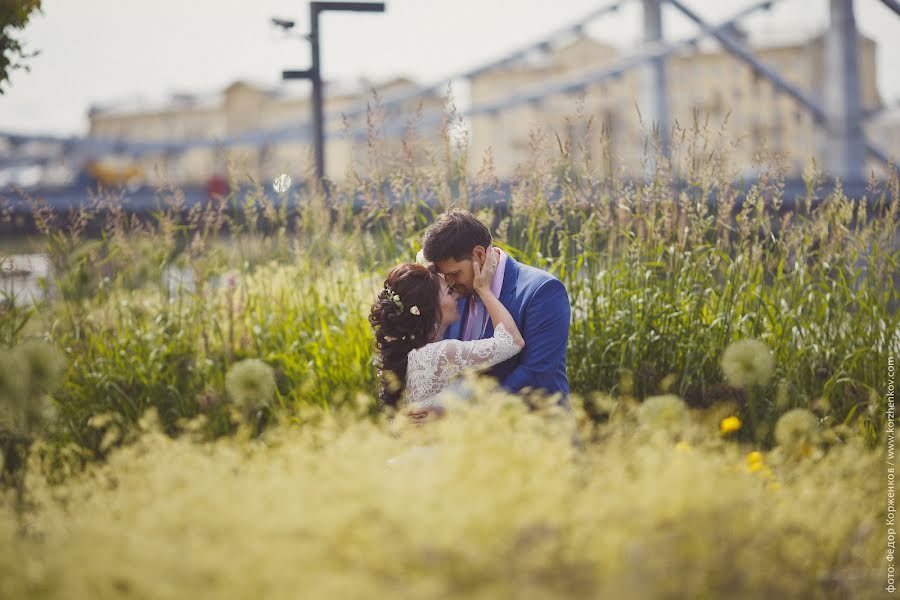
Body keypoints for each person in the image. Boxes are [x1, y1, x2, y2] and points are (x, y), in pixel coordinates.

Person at [420, 209, 570, 410]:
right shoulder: (453, 293)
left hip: (535, 431)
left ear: (479, 254)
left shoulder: (541, 291)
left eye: (455, 273)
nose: (450, 282)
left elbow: (537, 373)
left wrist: (467, 412)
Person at [368, 251, 525, 422]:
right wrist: (484, 290)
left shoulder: (408, 352)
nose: (457, 295)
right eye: (449, 292)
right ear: (431, 307)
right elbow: (512, 341)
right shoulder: (440, 353)